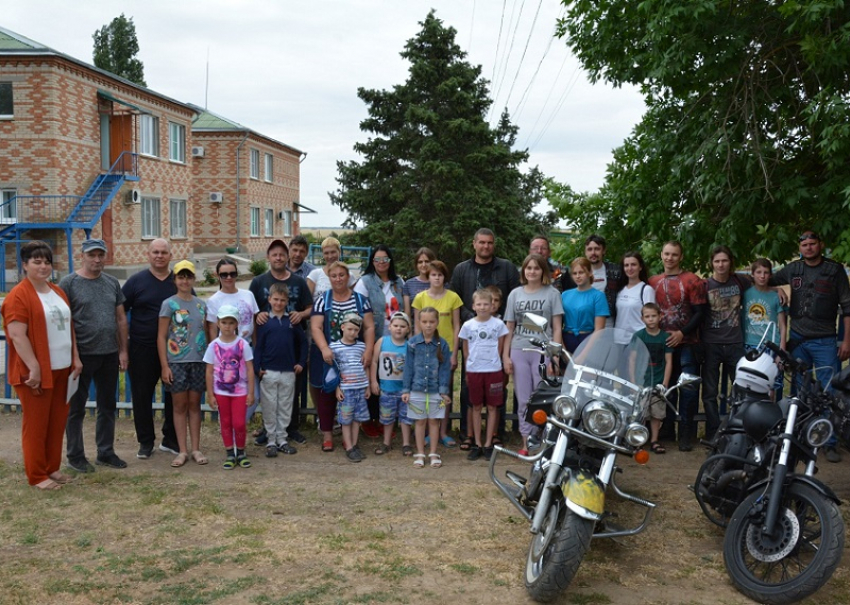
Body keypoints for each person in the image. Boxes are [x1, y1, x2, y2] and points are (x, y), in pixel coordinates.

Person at [3, 240, 83, 489]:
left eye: (47, 262)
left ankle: (52, 467)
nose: (43, 266)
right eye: (37, 262)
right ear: (25, 264)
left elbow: (69, 328)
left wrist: (76, 358)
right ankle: (37, 475)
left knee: (57, 421)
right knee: (37, 425)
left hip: (62, 368)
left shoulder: (57, 291)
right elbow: (17, 335)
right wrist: (34, 367)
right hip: (35, 372)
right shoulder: (19, 295)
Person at [770, 230, 850, 462]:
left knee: (829, 393)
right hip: (798, 340)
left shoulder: (834, 271)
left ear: (820, 245)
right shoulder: (793, 269)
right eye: (804, 244)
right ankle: (800, 437)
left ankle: (830, 442)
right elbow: (764, 280)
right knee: (800, 392)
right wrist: (777, 289)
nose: (808, 248)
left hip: (825, 340)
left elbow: (847, 307)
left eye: (812, 244)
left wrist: (847, 340)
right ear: (800, 248)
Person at [60, 238, 129, 473]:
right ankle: (75, 455)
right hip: (82, 356)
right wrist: (74, 356)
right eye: (92, 255)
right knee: (76, 408)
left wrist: (123, 350)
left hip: (109, 353)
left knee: (107, 405)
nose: (97, 260)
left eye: (101, 255)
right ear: (83, 256)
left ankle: (105, 452)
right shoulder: (69, 283)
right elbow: (65, 322)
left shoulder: (111, 283)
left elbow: (120, 318)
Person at [450, 228, 520, 439]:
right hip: (472, 336)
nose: (485, 246)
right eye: (481, 242)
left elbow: (513, 299)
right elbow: (456, 299)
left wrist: (496, 320)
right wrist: (474, 317)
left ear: (493, 245)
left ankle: (496, 433)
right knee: (468, 387)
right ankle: (467, 433)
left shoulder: (506, 267)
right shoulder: (462, 269)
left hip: (498, 334)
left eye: (489, 243)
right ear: (474, 244)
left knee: (497, 387)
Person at [250, 240, 312, 446]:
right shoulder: (259, 282)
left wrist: (300, 314)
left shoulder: (298, 282)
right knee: (269, 393)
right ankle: (269, 432)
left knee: (290, 390)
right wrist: (258, 315)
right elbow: (251, 308)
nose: (278, 258)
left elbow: (310, 308)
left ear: (286, 258)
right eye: (274, 254)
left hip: (292, 336)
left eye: (281, 254)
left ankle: (289, 429)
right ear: (268, 257)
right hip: (267, 338)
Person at [122, 238, 180, 459]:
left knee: (174, 396)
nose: (159, 256)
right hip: (141, 348)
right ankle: (145, 442)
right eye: (155, 252)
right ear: (148, 255)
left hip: (174, 350)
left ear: (170, 256)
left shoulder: (179, 281)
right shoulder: (136, 282)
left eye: (163, 252)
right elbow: (120, 312)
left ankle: (171, 439)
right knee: (142, 396)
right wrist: (124, 347)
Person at [647, 241, 707, 451]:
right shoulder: (653, 282)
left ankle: (686, 433)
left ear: (681, 257)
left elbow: (700, 312)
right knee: (666, 388)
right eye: (666, 254)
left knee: (688, 390)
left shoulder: (692, 280)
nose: (670, 258)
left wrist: (682, 333)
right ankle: (667, 430)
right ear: (661, 255)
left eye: (674, 255)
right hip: (664, 345)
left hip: (688, 343)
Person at [310, 261, 375, 452]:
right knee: (327, 393)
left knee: (353, 394)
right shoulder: (323, 299)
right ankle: (328, 435)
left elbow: (370, 326)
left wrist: (369, 350)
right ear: (329, 278)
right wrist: (324, 348)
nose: (338, 279)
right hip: (329, 355)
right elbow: (316, 326)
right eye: (334, 275)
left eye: (341, 275)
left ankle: (351, 438)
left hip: (354, 354)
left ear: (348, 277)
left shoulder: (361, 300)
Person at [503, 254, 564, 455]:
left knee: (542, 398)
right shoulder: (515, 294)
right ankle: (525, 441)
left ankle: (541, 440)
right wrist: (506, 356)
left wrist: (554, 355)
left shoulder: (552, 294)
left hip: (543, 351)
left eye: (536, 268)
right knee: (523, 399)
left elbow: (556, 328)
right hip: (519, 349)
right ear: (523, 271)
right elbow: (509, 327)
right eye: (528, 268)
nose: (532, 272)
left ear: (543, 272)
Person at [157, 260, 209, 468]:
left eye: (188, 276)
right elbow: (161, 336)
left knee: (195, 406)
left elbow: (206, 333)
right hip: (177, 362)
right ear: (175, 279)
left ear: (193, 279)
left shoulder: (201, 305)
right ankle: (182, 450)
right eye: (181, 276)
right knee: (179, 407)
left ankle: (196, 448)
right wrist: (164, 365)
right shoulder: (169, 304)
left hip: (198, 361)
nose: (185, 280)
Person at [701, 246, 750, 441]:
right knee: (710, 392)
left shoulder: (741, 281)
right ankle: (713, 432)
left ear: (731, 263)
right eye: (717, 261)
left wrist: (776, 288)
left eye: (725, 261)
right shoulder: (705, 285)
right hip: (711, 344)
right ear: (711, 263)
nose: (721, 265)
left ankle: (735, 431)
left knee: (740, 389)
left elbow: (763, 284)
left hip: (735, 343)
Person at [412, 260, 463, 447]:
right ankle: (427, 431)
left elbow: (457, 325)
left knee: (444, 391)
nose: (437, 278)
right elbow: (417, 325)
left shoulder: (453, 298)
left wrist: (454, 353)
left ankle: (442, 431)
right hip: (425, 351)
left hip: (445, 350)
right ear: (428, 276)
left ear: (444, 277)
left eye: (440, 275)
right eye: (433, 275)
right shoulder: (420, 298)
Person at [254, 283, 307, 457]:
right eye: (275, 299)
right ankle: (270, 440)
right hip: (269, 371)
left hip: (288, 371)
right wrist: (257, 367)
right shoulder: (264, 322)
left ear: (287, 301)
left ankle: (282, 439)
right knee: (269, 406)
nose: (278, 303)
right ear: (269, 299)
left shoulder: (292, 320)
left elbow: (304, 342)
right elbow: (259, 346)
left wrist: (300, 362)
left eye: (282, 300)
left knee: (285, 405)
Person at [459, 289, 509, 461]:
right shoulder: (468, 326)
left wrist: (499, 365)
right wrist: (467, 369)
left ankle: (488, 443)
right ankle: (477, 444)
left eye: (486, 304)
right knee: (476, 406)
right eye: (479, 304)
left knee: (493, 407)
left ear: (492, 305)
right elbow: (465, 351)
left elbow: (501, 347)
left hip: (493, 370)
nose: (482, 307)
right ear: (473, 306)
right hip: (474, 371)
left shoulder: (498, 325)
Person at [204, 305, 255, 469]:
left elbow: (249, 369)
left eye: (231, 323)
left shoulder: (242, 345)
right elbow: (209, 371)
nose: (227, 326)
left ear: (237, 324)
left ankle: (241, 451)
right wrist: (210, 394)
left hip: (240, 392)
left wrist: (251, 392)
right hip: (221, 392)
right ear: (218, 323)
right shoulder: (213, 346)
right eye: (224, 322)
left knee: (239, 423)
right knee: (225, 422)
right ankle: (229, 453)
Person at [402, 307, 452, 469]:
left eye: (432, 322)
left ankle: (433, 452)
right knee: (420, 422)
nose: (428, 325)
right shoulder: (412, 343)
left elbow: (445, 369)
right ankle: (420, 453)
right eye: (424, 322)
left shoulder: (442, 344)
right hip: (416, 389)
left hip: (435, 390)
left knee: (434, 422)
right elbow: (408, 367)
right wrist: (406, 390)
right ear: (419, 323)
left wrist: (443, 391)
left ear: (437, 322)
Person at [631, 303, 673, 454]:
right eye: (647, 316)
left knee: (657, 413)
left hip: (658, 381)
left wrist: (665, 383)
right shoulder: (639, 336)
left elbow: (669, 361)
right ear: (642, 319)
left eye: (654, 316)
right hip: (642, 381)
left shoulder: (665, 337)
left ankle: (654, 440)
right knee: (641, 412)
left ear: (660, 316)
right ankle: (638, 440)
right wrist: (633, 381)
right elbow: (632, 360)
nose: (651, 319)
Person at [743, 258, 787, 400]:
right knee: (749, 386)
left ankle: (768, 420)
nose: (762, 276)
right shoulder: (746, 294)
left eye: (766, 272)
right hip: (750, 345)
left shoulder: (775, 297)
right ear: (753, 274)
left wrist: (781, 352)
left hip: (770, 347)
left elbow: (783, 326)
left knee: (769, 389)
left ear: (770, 275)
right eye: (759, 272)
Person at [370, 311, 413, 456]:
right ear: (390, 326)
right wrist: (373, 381)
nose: (398, 328)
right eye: (395, 325)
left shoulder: (410, 345)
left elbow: (413, 367)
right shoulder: (382, 341)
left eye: (402, 326)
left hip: (404, 389)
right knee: (387, 417)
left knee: (406, 418)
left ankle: (406, 443)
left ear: (408, 329)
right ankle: (386, 442)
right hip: (386, 388)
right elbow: (374, 362)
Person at [331, 313, 372, 462]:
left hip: (360, 389)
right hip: (346, 390)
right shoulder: (335, 347)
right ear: (342, 327)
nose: (353, 333)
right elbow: (333, 371)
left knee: (357, 420)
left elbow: (365, 367)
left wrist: (367, 386)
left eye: (356, 330)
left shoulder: (362, 346)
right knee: (346, 420)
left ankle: (354, 445)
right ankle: (348, 447)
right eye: (350, 329)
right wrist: (337, 388)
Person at [559, 234, 622, 324]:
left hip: (607, 322)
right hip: (582, 322)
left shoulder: (615, 271)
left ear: (603, 251)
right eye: (589, 249)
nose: (593, 253)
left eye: (597, 249)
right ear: (585, 252)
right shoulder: (574, 274)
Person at [561, 257, 610, 353]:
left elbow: (599, 329)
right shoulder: (565, 295)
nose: (578, 276)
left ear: (590, 272)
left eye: (581, 272)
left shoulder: (598, 296)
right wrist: (562, 350)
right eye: (574, 273)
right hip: (566, 340)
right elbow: (557, 325)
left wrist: (583, 355)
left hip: (588, 340)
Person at [206, 258, 259, 344]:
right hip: (226, 348)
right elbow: (213, 329)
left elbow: (253, 323)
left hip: (248, 346)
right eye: (224, 275)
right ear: (217, 276)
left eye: (232, 274)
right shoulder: (213, 300)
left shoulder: (248, 295)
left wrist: (256, 348)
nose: (229, 277)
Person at [614, 251, 656, 344]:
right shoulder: (620, 290)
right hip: (619, 340)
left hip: (638, 341)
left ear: (640, 267)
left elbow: (652, 318)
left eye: (633, 264)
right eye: (626, 265)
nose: (629, 268)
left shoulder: (646, 290)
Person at [306, 237, 356, 301]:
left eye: (333, 252)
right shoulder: (314, 275)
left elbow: (356, 299)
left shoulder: (349, 276)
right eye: (326, 253)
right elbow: (307, 302)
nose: (330, 256)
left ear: (339, 252)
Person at [402, 247, 436, 317]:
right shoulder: (409, 284)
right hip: (415, 325)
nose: (423, 265)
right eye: (420, 262)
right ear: (416, 265)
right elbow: (407, 313)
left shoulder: (440, 283)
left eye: (427, 261)